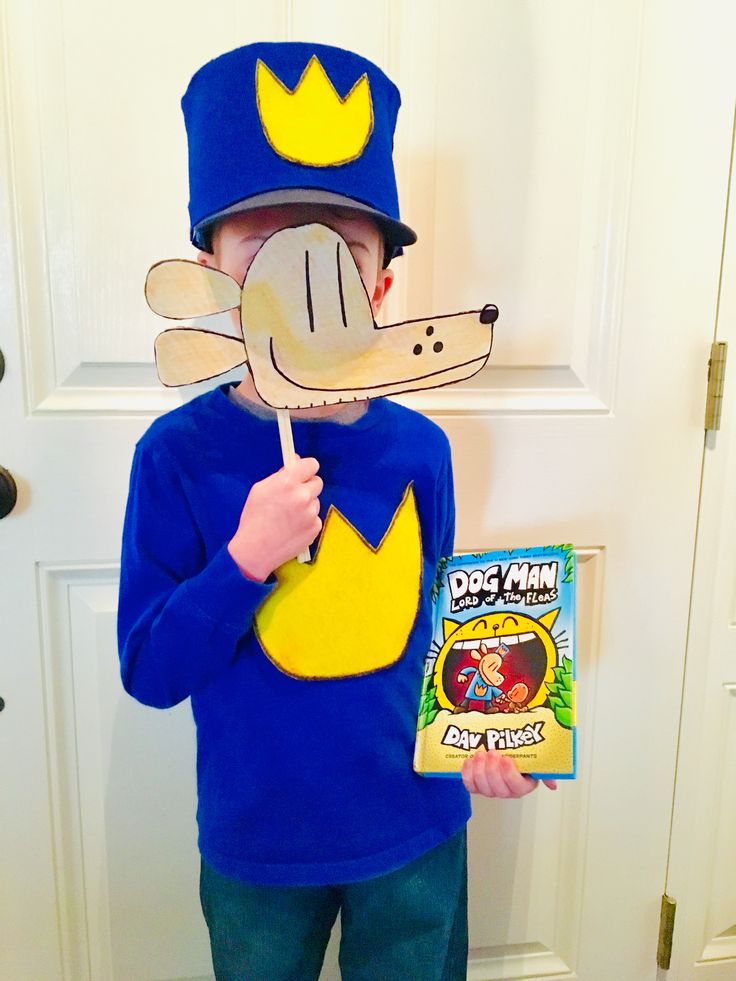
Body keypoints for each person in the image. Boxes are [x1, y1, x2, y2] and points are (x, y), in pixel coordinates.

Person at [117, 41, 555, 981]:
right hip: (258, 846)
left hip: (415, 825)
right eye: (266, 247)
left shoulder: (418, 448)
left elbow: (446, 618)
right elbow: (151, 670)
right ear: (212, 276)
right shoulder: (177, 457)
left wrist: (499, 736)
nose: (302, 280)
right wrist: (242, 561)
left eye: (342, 252)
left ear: (383, 284)